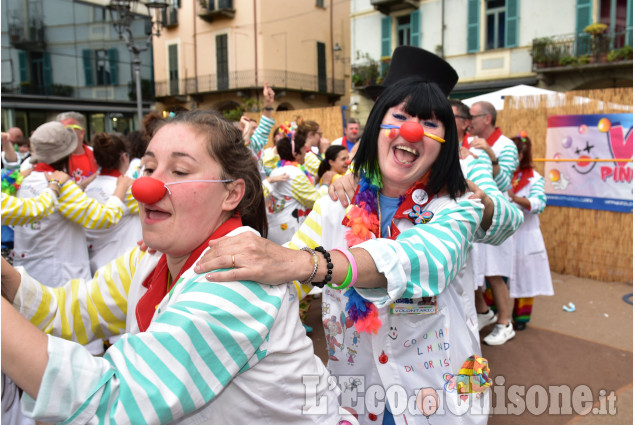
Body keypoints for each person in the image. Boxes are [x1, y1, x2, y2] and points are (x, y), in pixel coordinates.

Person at [196, 47, 494, 424]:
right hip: (359, 395)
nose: (410, 130)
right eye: (399, 116)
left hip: (439, 394)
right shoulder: (336, 203)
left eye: (430, 123)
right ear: (377, 126)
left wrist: (307, 264)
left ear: (446, 141)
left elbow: (427, 257)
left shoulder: (460, 205)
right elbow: (283, 285)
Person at [1, 110, 350, 425]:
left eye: (180, 170)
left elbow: (116, 402)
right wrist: (9, 279)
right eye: (149, 168)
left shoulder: (238, 279)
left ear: (231, 194)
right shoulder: (149, 258)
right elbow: (69, 313)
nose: (146, 187)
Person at [12, 121, 129, 288]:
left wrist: (82, 185)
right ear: (66, 154)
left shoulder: (22, 179)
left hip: (28, 275)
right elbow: (103, 218)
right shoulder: (60, 185)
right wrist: (120, 190)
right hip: (59, 281)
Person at [467, 101, 520, 346]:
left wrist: (491, 155)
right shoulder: (468, 142)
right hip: (477, 213)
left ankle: (505, 322)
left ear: (487, 118)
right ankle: (485, 312)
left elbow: (504, 183)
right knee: (478, 270)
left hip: (498, 213)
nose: (469, 120)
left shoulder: (505, 145)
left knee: (496, 273)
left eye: (472, 116)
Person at [506, 133, 553, 330]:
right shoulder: (501, 174)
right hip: (504, 235)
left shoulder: (535, 179)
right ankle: (492, 313)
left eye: (518, 154)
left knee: (525, 278)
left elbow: (539, 205)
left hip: (525, 235)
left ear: (525, 155)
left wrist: (515, 198)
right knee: (494, 275)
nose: (514, 159)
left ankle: (521, 319)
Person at [84, 132, 142, 274]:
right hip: (121, 269)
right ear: (124, 157)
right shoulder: (128, 190)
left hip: (95, 266)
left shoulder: (89, 187)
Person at [264, 133, 328, 245]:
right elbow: (314, 200)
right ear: (295, 154)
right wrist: (326, 185)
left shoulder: (278, 169)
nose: (306, 152)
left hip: (276, 229)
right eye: (304, 149)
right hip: (288, 233)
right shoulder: (294, 173)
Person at [56, 111, 99, 185]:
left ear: (82, 133)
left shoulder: (97, 155)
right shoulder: (53, 158)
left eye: (69, 129)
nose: (63, 133)